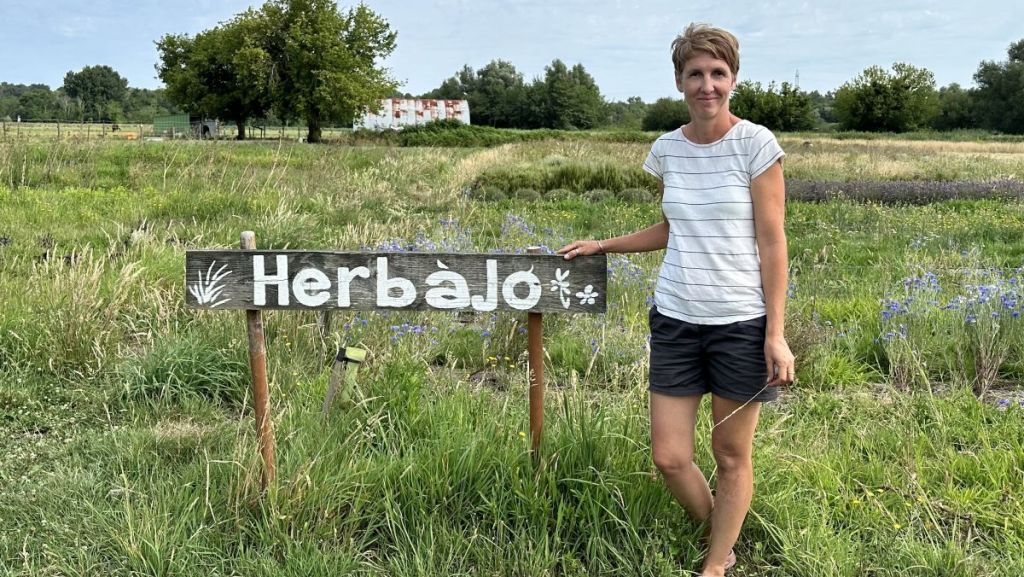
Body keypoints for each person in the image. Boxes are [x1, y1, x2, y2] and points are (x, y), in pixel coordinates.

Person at [557, 22, 794, 577]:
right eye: (695, 74)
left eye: (718, 73)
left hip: (740, 323)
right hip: (676, 320)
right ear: (679, 81)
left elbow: (772, 241)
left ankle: (716, 563)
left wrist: (775, 333)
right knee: (669, 456)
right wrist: (604, 245)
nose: (707, 85)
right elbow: (672, 227)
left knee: (730, 455)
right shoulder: (667, 149)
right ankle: (720, 529)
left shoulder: (756, 145)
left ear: (733, 79)